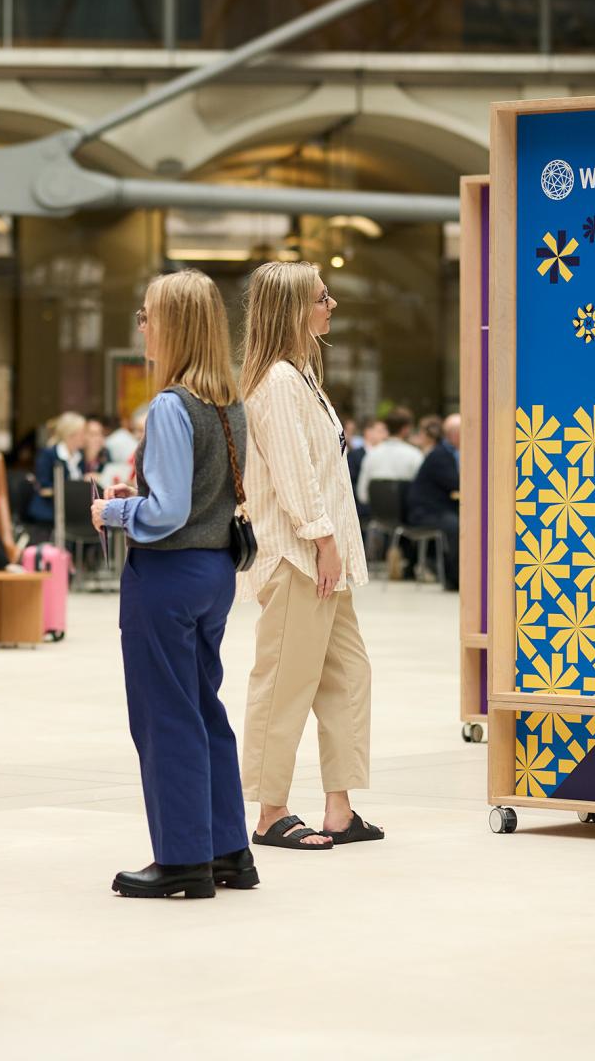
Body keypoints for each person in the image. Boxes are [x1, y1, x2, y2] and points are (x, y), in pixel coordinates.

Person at [92, 269, 257, 900]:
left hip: (166, 574)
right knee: (204, 708)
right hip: (216, 571)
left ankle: (182, 858)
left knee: (166, 717)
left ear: (173, 326)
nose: (142, 326)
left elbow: (164, 513)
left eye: (147, 314)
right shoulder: (227, 401)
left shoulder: (168, 405)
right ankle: (228, 850)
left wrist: (112, 511)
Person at [238, 260, 382, 850]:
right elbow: (296, 475)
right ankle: (271, 812)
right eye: (323, 298)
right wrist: (322, 538)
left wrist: (335, 548)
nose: (332, 306)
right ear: (295, 308)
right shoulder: (275, 383)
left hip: (327, 556)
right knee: (285, 682)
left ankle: (339, 808)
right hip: (300, 556)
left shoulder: (302, 377)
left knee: (348, 674)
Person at [407, 412, 461, 590]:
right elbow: (456, 483)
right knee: (457, 526)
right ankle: (454, 579)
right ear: (454, 434)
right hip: (425, 513)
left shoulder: (445, 452)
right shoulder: (440, 456)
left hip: (437, 508)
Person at [25, 411, 85, 530]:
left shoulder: (80, 456)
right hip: (49, 511)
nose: (85, 437)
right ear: (71, 434)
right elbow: (44, 486)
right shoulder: (48, 454)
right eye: (82, 433)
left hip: (72, 511)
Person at [355, 406, 422, 506]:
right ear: (405, 429)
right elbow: (419, 494)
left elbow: (362, 495)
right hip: (407, 518)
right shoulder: (415, 455)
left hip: (375, 516)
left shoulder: (371, 455)